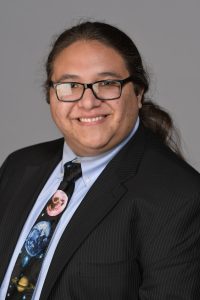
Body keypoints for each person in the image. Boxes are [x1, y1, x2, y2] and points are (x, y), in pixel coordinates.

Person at [0, 21, 200, 300]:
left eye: (107, 84)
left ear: (138, 93)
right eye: (70, 85)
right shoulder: (18, 167)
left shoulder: (179, 198)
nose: (87, 102)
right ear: (50, 94)